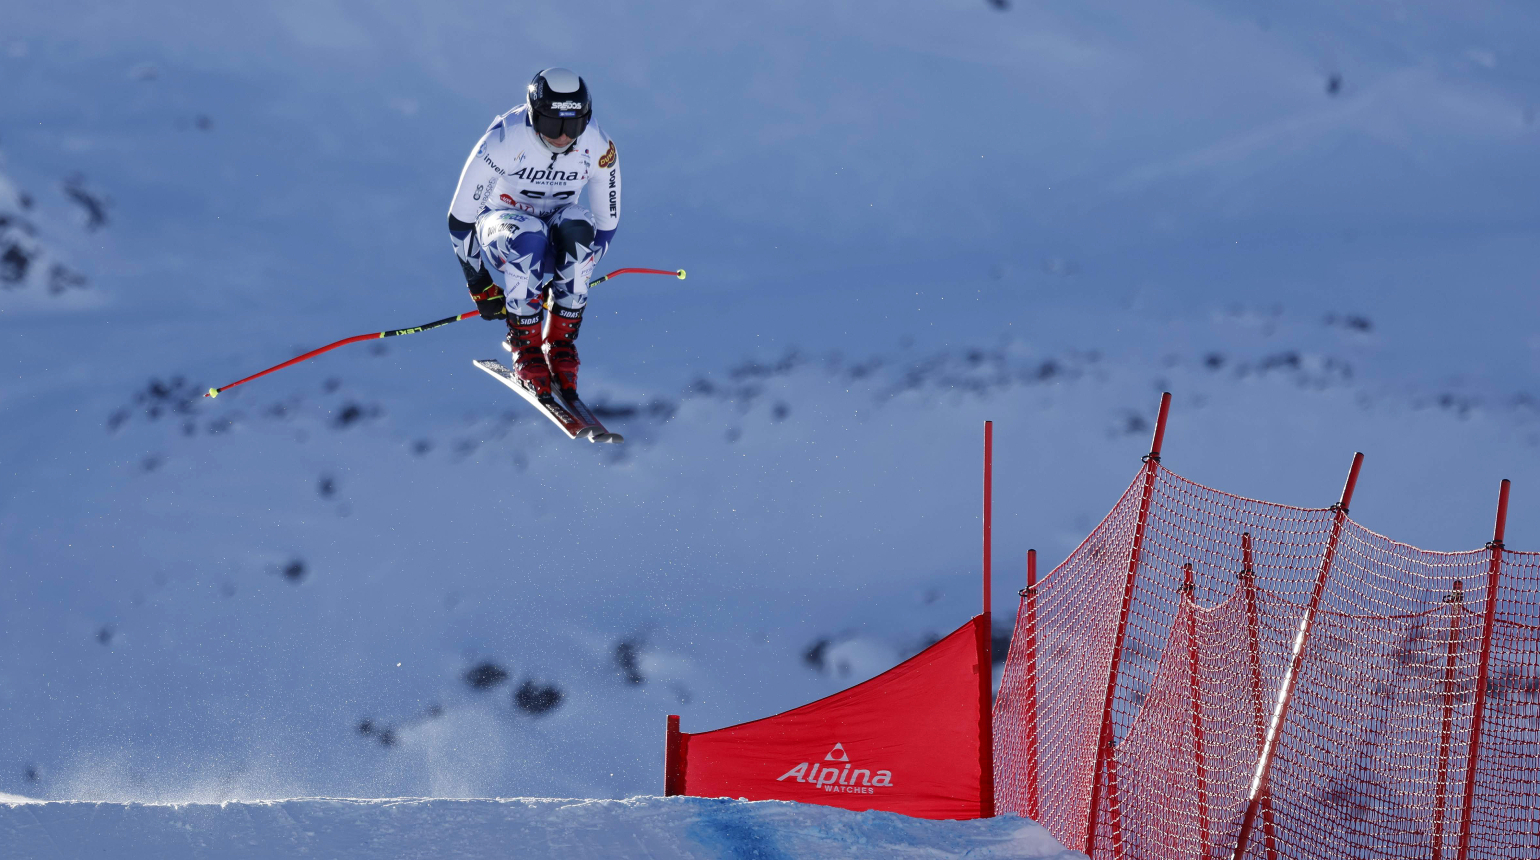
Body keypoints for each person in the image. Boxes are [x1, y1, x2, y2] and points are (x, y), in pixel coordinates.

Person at [446, 68, 621, 397]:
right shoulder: (505, 140)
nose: (563, 137)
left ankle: (560, 345)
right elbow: (460, 219)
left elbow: (606, 223)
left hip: (555, 236)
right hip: (503, 230)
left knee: (580, 225)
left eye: (574, 125)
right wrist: (480, 283)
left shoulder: (597, 145)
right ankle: (525, 348)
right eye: (552, 125)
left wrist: (574, 280)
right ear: (532, 116)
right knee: (529, 235)